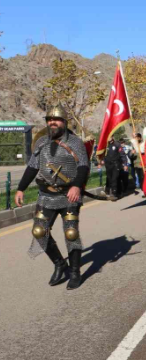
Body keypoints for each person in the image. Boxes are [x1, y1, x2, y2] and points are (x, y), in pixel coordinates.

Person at [15, 104, 89, 290]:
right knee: (39, 232)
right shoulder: (41, 143)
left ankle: (74, 272)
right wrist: (20, 189)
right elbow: (32, 167)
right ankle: (59, 263)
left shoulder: (75, 143)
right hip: (46, 195)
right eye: (49, 120)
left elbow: (83, 167)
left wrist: (76, 186)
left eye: (56, 120)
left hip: (69, 194)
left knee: (70, 233)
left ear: (64, 122)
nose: (52, 123)